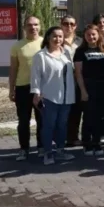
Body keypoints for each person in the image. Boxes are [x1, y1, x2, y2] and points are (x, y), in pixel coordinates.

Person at [30, 26, 76, 166]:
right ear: (48, 38)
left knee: (62, 125)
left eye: (60, 36)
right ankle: (48, 152)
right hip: (49, 96)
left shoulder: (66, 53)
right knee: (49, 125)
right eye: (54, 36)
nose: (58, 39)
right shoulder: (41, 56)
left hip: (66, 97)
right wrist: (36, 93)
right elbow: (36, 76)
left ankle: (60, 151)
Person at [74, 23, 104, 157]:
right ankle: (87, 143)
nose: (91, 37)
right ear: (84, 36)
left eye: (93, 34)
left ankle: (97, 142)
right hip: (87, 86)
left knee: (100, 116)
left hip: (103, 87)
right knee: (88, 116)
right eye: (88, 35)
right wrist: (83, 91)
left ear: (99, 35)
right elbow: (78, 73)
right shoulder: (80, 51)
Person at [9, 15, 43, 161]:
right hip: (22, 87)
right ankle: (24, 149)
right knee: (23, 121)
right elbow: (13, 69)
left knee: (42, 120)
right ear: (24, 27)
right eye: (29, 25)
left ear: (40, 27)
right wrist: (11, 89)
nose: (33, 27)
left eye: (36, 25)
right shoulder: (17, 46)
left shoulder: (45, 43)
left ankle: (42, 147)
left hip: (41, 88)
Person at [61, 15, 83, 147]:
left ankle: (73, 137)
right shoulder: (57, 40)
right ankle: (62, 137)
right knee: (64, 110)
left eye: (71, 24)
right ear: (61, 25)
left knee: (77, 109)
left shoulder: (81, 41)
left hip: (79, 79)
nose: (68, 26)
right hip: (62, 80)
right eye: (66, 23)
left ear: (75, 26)